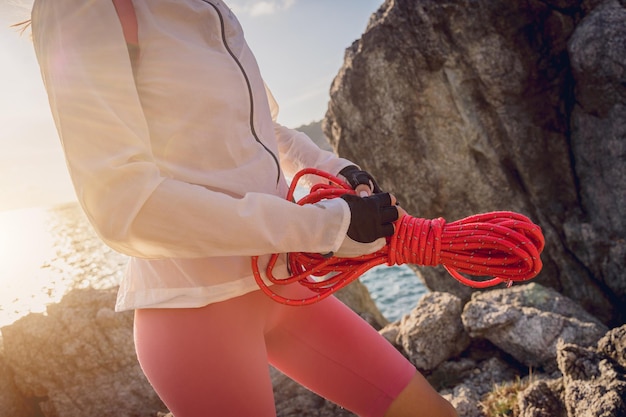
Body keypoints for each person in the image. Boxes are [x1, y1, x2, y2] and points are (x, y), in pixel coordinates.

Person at [29, 1, 458, 416]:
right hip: (196, 317)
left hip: (283, 287)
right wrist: (324, 228)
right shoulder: (80, 7)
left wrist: (336, 170)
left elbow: (260, 130)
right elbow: (124, 204)